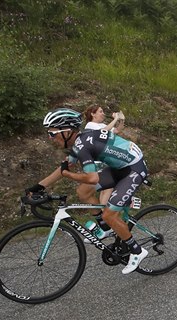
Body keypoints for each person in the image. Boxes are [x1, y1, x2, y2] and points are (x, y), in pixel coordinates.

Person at [24, 108, 150, 274]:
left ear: (67, 132)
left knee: (109, 214)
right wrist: (38, 187)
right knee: (83, 192)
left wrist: (68, 174)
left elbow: (92, 178)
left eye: (53, 134)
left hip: (133, 168)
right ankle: (105, 228)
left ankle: (137, 251)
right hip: (119, 167)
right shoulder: (79, 143)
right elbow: (63, 168)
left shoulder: (83, 146)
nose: (50, 138)